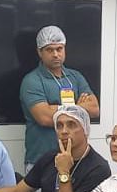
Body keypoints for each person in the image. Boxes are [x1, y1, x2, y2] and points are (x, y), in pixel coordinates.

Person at [19, 25, 100, 165]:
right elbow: (44, 117)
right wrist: (78, 108)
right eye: (49, 50)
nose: (56, 54)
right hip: (41, 161)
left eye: (59, 49)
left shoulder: (75, 76)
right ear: (39, 52)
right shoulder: (32, 81)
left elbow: (94, 109)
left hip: (75, 159)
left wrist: (54, 109)